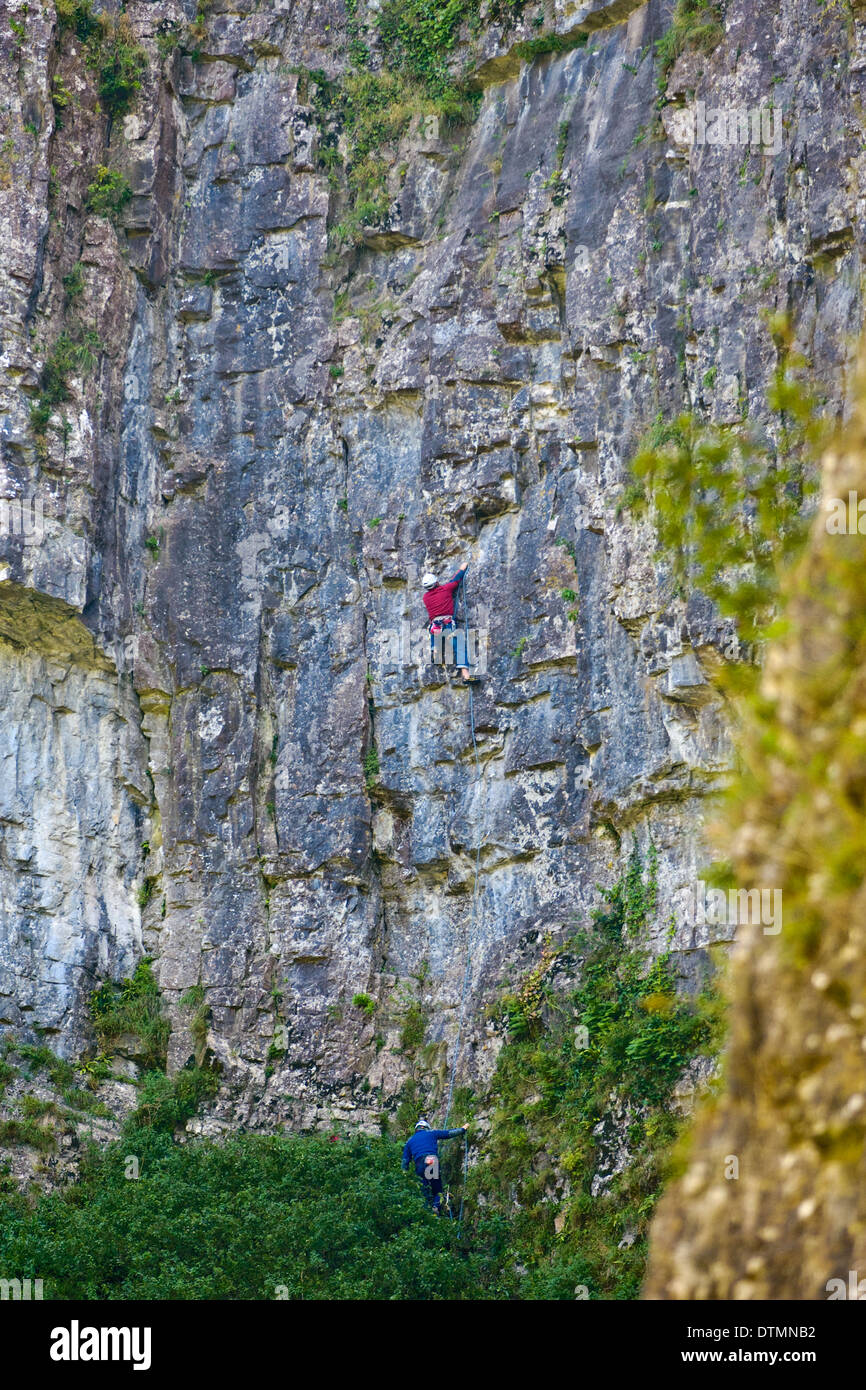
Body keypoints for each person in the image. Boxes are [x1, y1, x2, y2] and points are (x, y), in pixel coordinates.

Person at [421, 567, 478, 682]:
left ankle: (436, 650)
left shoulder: (425, 597)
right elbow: (456, 579)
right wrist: (463, 566)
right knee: (459, 646)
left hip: (435, 626)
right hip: (447, 624)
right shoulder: (445, 589)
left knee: (436, 636)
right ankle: (465, 675)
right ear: (436, 582)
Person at [401, 1117, 467, 1214]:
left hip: (419, 1163)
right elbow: (448, 1133)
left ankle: (426, 1210)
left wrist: (404, 1174)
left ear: (416, 1129)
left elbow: (405, 1161)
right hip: (431, 1159)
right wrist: (462, 1129)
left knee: (424, 1188)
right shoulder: (432, 1133)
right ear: (427, 1128)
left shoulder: (410, 1141)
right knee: (437, 1188)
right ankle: (436, 1206)